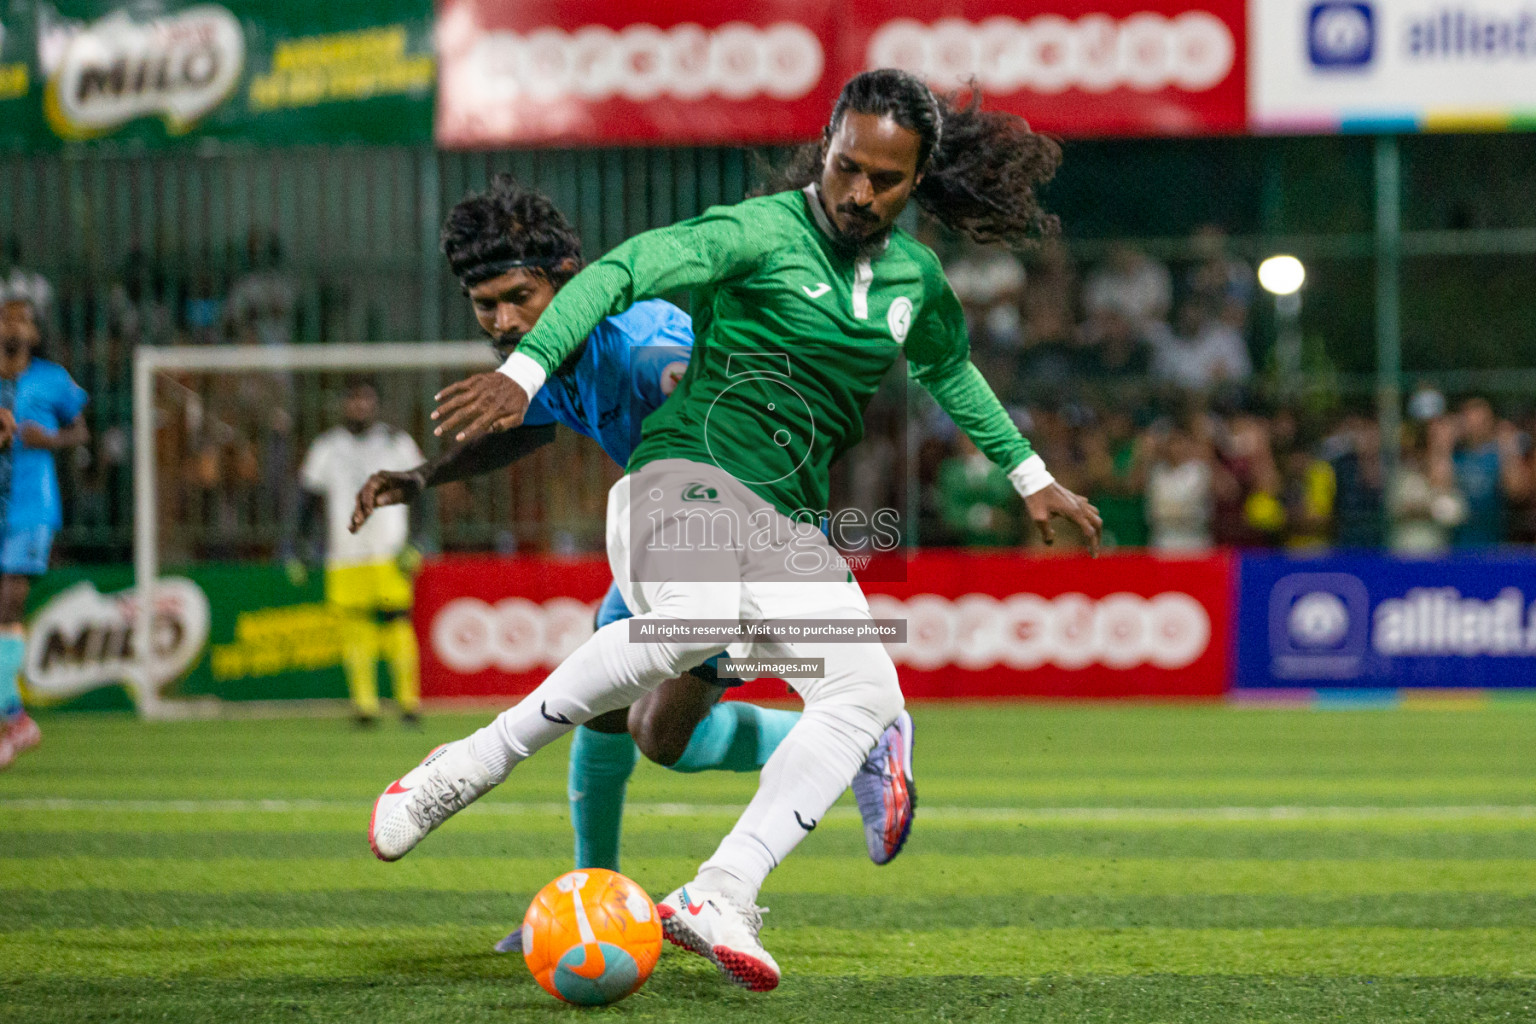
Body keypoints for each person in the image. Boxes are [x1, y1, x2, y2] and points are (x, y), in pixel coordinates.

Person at [371, 70, 1101, 990]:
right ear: (825, 148)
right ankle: (464, 767)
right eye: (845, 168)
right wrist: (524, 370)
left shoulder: (915, 279)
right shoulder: (754, 231)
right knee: (696, 627)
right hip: (681, 485)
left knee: (864, 696)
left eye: (884, 179)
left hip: (788, 526)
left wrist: (1031, 478)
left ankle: (718, 893)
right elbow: (621, 271)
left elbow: (950, 370)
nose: (858, 193)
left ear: (917, 181)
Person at [350, 176, 917, 876]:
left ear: (569, 280)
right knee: (613, 714)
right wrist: (423, 477)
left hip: (736, 534)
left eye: (517, 299)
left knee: (659, 733)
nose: (502, 322)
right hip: (671, 537)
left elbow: (692, 376)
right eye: (485, 305)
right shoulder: (548, 356)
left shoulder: (641, 343)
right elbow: (525, 429)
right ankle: (592, 888)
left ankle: (863, 740)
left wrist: (694, 386)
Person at [296, 379, 425, 727]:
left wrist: (419, 540)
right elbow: (306, 500)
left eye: (365, 399)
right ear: (343, 404)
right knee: (356, 628)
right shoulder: (326, 447)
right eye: (353, 399)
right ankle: (365, 707)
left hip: (390, 549)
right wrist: (299, 544)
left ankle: (408, 704)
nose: (359, 406)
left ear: (376, 404)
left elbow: (421, 491)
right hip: (346, 551)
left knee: (397, 620)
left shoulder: (397, 443)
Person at [0, 294, 88, 766]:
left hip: (32, 509)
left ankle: (12, 721)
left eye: (25, 321)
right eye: (7, 319)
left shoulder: (53, 379)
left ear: (35, 332)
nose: (15, 327)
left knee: (9, 601)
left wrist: (50, 439)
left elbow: (82, 432)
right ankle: (15, 717)